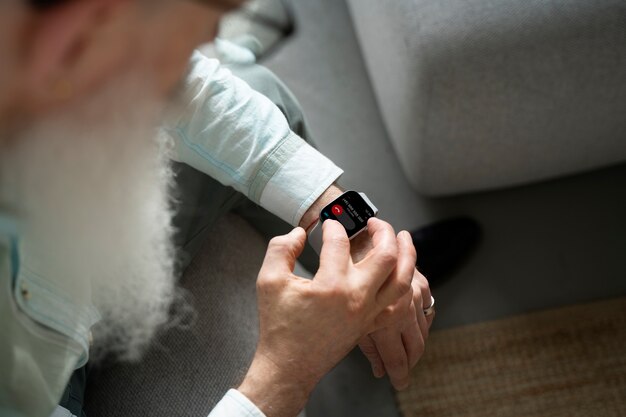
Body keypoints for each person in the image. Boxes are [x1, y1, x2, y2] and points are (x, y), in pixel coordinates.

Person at [0, 0, 467, 416]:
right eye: (179, 45)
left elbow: (197, 94)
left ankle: (341, 283)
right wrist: (286, 371)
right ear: (77, 37)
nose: (201, 51)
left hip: (62, 262)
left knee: (254, 87)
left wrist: (353, 233)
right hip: (50, 383)